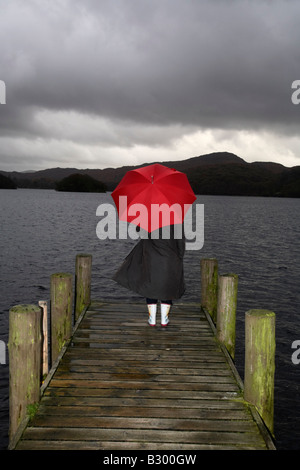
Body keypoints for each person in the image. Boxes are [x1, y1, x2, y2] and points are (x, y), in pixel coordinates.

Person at [112, 224, 185, 327]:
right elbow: (180, 241)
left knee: (151, 286)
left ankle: (152, 319)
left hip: (151, 257)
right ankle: (164, 319)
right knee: (166, 287)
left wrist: (140, 224)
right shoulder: (175, 220)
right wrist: (180, 256)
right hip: (170, 257)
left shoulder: (149, 218)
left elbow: (140, 232)